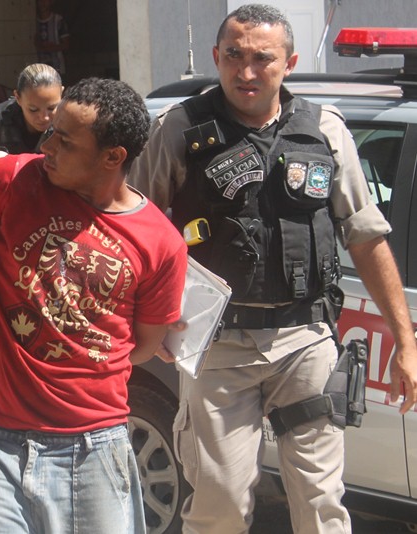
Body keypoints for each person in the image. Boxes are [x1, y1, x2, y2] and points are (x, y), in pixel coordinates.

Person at [128, 4, 417, 534]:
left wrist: (405, 339)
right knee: (218, 508)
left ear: (289, 63)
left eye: (262, 58)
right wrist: (147, 320)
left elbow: (366, 236)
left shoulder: (324, 129)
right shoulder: (180, 129)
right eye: (233, 55)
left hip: (305, 340)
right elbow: (133, 227)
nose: (246, 71)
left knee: (320, 502)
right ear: (216, 56)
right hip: (217, 346)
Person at [0, 77, 188, 534]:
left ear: (113, 157)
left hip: (96, 446)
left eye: (66, 140)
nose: (47, 146)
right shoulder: (10, 180)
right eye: (50, 131)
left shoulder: (161, 243)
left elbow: (143, 347)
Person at [0, 63, 63, 154]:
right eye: (33, 109)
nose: (44, 118)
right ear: (18, 98)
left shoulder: (68, 124)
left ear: (61, 93)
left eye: (51, 108)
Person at [35, 0, 69, 77]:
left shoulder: (58, 20)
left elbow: (66, 44)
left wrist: (52, 47)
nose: (42, 3)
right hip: (40, 69)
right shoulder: (33, 21)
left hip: (57, 68)